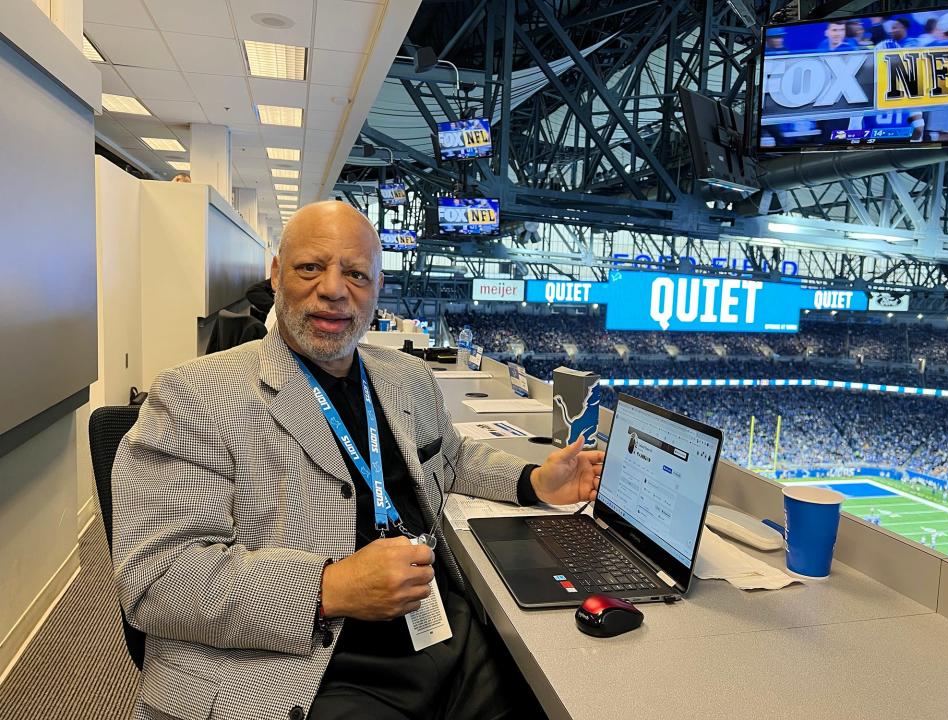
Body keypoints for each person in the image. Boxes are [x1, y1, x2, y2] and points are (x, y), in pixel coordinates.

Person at [112, 200, 604, 720]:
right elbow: (154, 579)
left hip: (437, 627)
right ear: (276, 273)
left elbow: (451, 458)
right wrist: (329, 588)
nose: (333, 288)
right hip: (294, 670)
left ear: (376, 290)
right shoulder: (194, 395)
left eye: (355, 273)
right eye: (310, 267)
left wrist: (532, 481)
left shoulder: (404, 377)